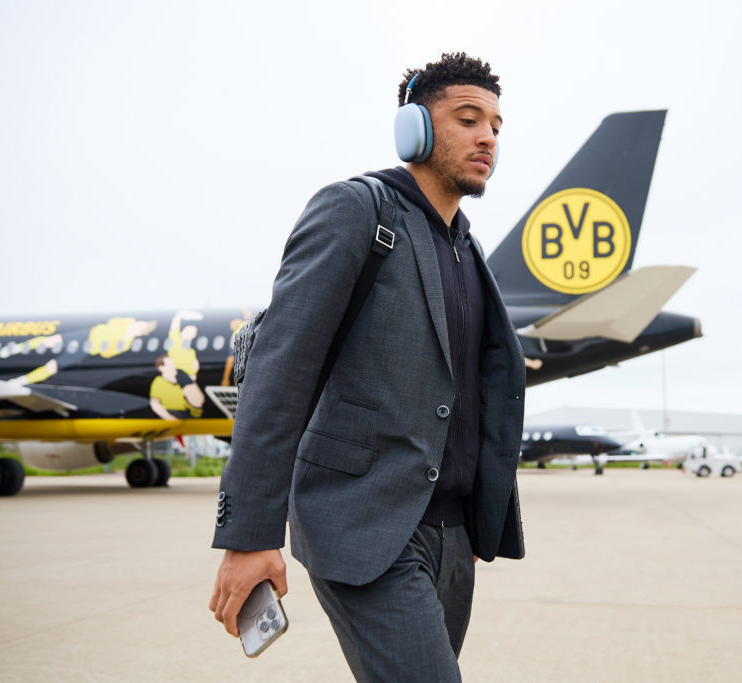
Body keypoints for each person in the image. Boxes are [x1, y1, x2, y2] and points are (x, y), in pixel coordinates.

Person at [209, 52, 526, 682]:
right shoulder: (358, 211)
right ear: (416, 129)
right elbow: (280, 374)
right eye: (468, 118)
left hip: (452, 536)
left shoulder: (468, 249)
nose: (488, 135)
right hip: (365, 525)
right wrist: (249, 537)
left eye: (497, 124)